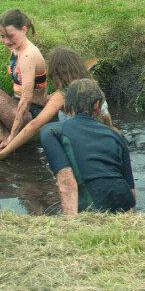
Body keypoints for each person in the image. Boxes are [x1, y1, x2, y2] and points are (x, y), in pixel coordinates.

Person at [40, 79, 135, 215]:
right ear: (97, 105)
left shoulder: (51, 131)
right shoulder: (117, 135)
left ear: (67, 104)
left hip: (93, 206)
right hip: (124, 202)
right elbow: (131, 189)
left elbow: (66, 181)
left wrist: (70, 225)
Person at [0, 47, 114, 158]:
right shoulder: (93, 86)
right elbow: (107, 121)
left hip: (81, 149)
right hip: (104, 141)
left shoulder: (62, 96)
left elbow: (34, 125)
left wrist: (5, 152)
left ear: (57, 73)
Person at [0, 9, 47, 146]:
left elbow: (26, 100)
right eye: (2, 36)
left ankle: (9, 138)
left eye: (10, 36)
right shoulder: (16, 48)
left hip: (32, 115)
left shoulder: (28, 55)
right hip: (16, 106)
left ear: (24, 30)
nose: (6, 41)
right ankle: (4, 136)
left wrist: (13, 136)